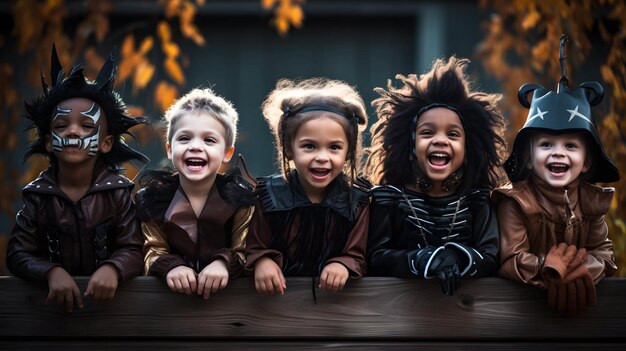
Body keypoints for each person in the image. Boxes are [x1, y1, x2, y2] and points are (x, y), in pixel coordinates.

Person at [6, 45, 149, 313]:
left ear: (106, 143)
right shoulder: (38, 196)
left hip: (114, 315)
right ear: (48, 142)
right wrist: (50, 271)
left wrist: (113, 267)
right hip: (50, 317)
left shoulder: (118, 193)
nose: (73, 132)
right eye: (62, 126)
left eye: (86, 126)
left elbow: (134, 247)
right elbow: (17, 254)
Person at [493, 35, 618, 314]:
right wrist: (548, 269)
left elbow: (605, 254)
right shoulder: (514, 202)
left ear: (586, 162)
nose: (558, 153)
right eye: (546, 144)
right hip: (516, 316)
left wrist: (577, 270)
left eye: (571, 146)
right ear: (529, 156)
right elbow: (509, 258)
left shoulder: (592, 201)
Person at [366, 57, 505, 295]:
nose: (440, 140)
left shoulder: (479, 201)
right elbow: (376, 257)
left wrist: (458, 257)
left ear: (468, 150)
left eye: (453, 134)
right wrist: (422, 258)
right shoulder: (388, 201)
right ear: (409, 149)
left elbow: (491, 256)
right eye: (427, 132)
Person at [245, 78, 369, 298]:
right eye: (309, 146)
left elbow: (359, 253)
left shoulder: (357, 201)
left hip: (336, 309)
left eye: (334, 147)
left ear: (348, 153)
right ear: (289, 149)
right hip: (274, 306)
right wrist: (263, 261)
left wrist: (343, 264)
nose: (322, 157)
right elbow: (254, 244)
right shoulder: (267, 195)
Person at [137, 88, 255, 299]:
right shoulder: (153, 199)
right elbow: (152, 250)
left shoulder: (241, 199)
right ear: (169, 149)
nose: (195, 147)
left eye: (209, 140)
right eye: (184, 139)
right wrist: (171, 267)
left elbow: (246, 249)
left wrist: (223, 263)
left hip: (230, 309)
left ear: (227, 152)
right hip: (168, 305)